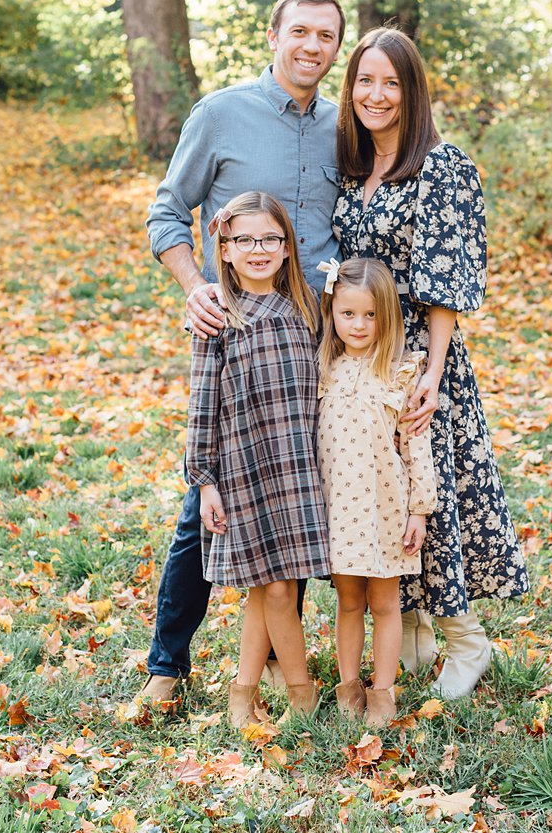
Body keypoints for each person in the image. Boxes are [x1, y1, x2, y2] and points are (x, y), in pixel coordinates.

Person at [138, 0, 346, 708]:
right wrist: (196, 283)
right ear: (274, 35)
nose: (313, 47)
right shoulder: (221, 114)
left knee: (302, 504)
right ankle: (168, 663)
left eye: (327, 36)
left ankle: (275, 665)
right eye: (301, 32)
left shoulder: (340, 128)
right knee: (206, 508)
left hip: (319, 346)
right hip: (236, 339)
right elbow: (167, 207)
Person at [332, 27, 529, 699]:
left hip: (417, 359)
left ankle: (467, 639)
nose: (376, 94)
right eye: (364, 79)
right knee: (380, 493)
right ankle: (410, 628)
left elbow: (445, 281)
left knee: (430, 496)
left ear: (412, 91)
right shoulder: (357, 169)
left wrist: (433, 378)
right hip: (362, 365)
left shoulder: (442, 166)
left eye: (390, 82)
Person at [188, 192, 330, 726]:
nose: (258, 249)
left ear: (288, 247)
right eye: (243, 240)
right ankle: (301, 694)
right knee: (272, 585)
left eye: (270, 238)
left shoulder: (307, 307)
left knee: (275, 584)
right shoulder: (217, 316)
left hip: (297, 461)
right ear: (223, 250)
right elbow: (202, 403)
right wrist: (205, 481)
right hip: (245, 464)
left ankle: (242, 694)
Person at [315, 256, 437, 727]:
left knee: (386, 603)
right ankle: (349, 686)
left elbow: (416, 447)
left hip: (386, 506)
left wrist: (419, 511)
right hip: (338, 508)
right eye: (348, 314)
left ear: (387, 317)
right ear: (333, 314)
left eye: (370, 315)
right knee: (349, 601)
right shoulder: (324, 368)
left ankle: (382, 690)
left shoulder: (403, 372)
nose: (359, 324)